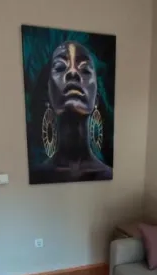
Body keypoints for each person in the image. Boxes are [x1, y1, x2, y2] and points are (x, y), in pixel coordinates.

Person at [31, 41, 113, 184]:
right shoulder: (37, 174)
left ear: (96, 98)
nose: (73, 72)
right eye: (60, 67)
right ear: (48, 94)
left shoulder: (108, 174)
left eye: (85, 70)